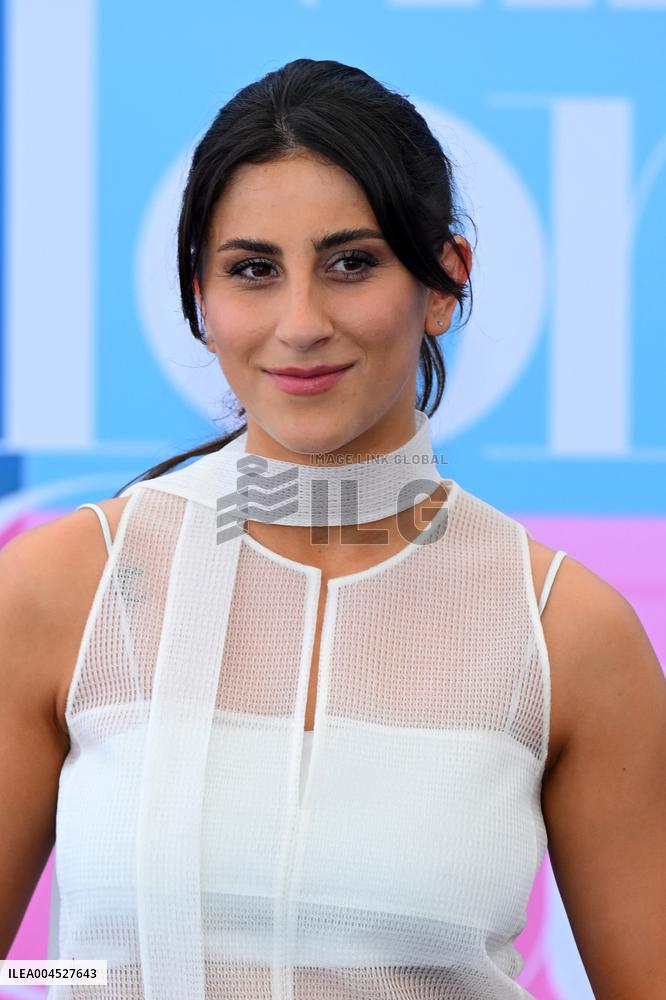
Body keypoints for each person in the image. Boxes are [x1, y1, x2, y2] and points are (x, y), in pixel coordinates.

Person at [1, 58, 664, 1000]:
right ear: (199, 296)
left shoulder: (568, 633)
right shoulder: (62, 590)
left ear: (443, 283)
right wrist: (90, 978)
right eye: (253, 271)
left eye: (351, 263)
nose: (301, 322)